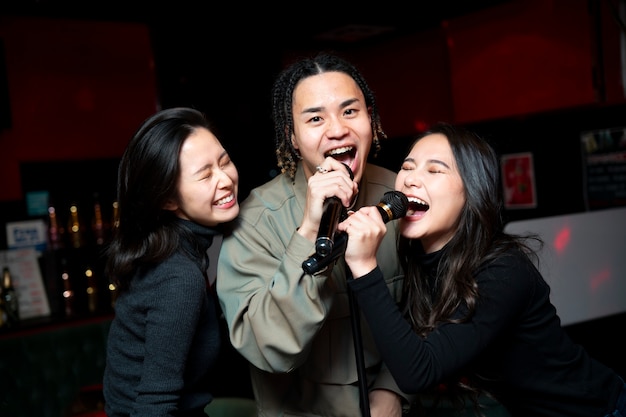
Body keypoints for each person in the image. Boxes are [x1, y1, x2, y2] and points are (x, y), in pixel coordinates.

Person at [339, 122, 626, 417]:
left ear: (471, 191)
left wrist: (364, 266)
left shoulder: (503, 270)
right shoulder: (416, 260)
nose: (411, 179)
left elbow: (418, 372)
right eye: (407, 167)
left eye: (435, 170)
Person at [216, 52, 412, 416]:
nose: (337, 129)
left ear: (371, 118)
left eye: (350, 111)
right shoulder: (255, 221)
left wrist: (394, 390)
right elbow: (267, 347)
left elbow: (432, 305)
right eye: (316, 118)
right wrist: (308, 231)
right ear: (292, 137)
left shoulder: (398, 194)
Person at [103, 107, 240, 417]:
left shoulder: (170, 250)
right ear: (167, 199)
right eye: (205, 174)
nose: (225, 179)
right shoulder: (178, 276)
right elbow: (154, 405)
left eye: (225, 162)